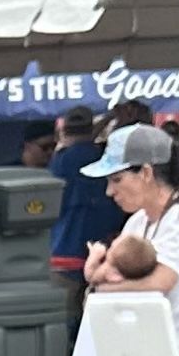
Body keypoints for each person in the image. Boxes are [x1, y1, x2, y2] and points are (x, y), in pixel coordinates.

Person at [83, 118, 179, 356]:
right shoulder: (136, 223)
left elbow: (160, 282)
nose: (109, 192)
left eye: (116, 180)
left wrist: (99, 291)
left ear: (146, 173)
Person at [44, 107, 113, 309]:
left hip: (63, 254)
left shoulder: (59, 163)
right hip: (104, 258)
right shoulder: (104, 160)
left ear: (63, 131)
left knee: (61, 330)